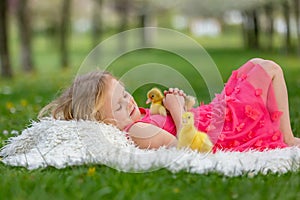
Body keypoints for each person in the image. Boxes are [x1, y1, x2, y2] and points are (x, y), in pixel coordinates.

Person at [38, 58, 300, 152]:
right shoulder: (136, 132)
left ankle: (287, 137)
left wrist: (177, 105)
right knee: (266, 68)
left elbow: (171, 124)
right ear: (106, 122)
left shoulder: (135, 121)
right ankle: (286, 139)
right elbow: (186, 150)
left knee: (257, 68)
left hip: (209, 118)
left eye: (125, 94)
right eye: (119, 106)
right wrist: (177, 109)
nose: (129, 102)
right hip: (221, 131)